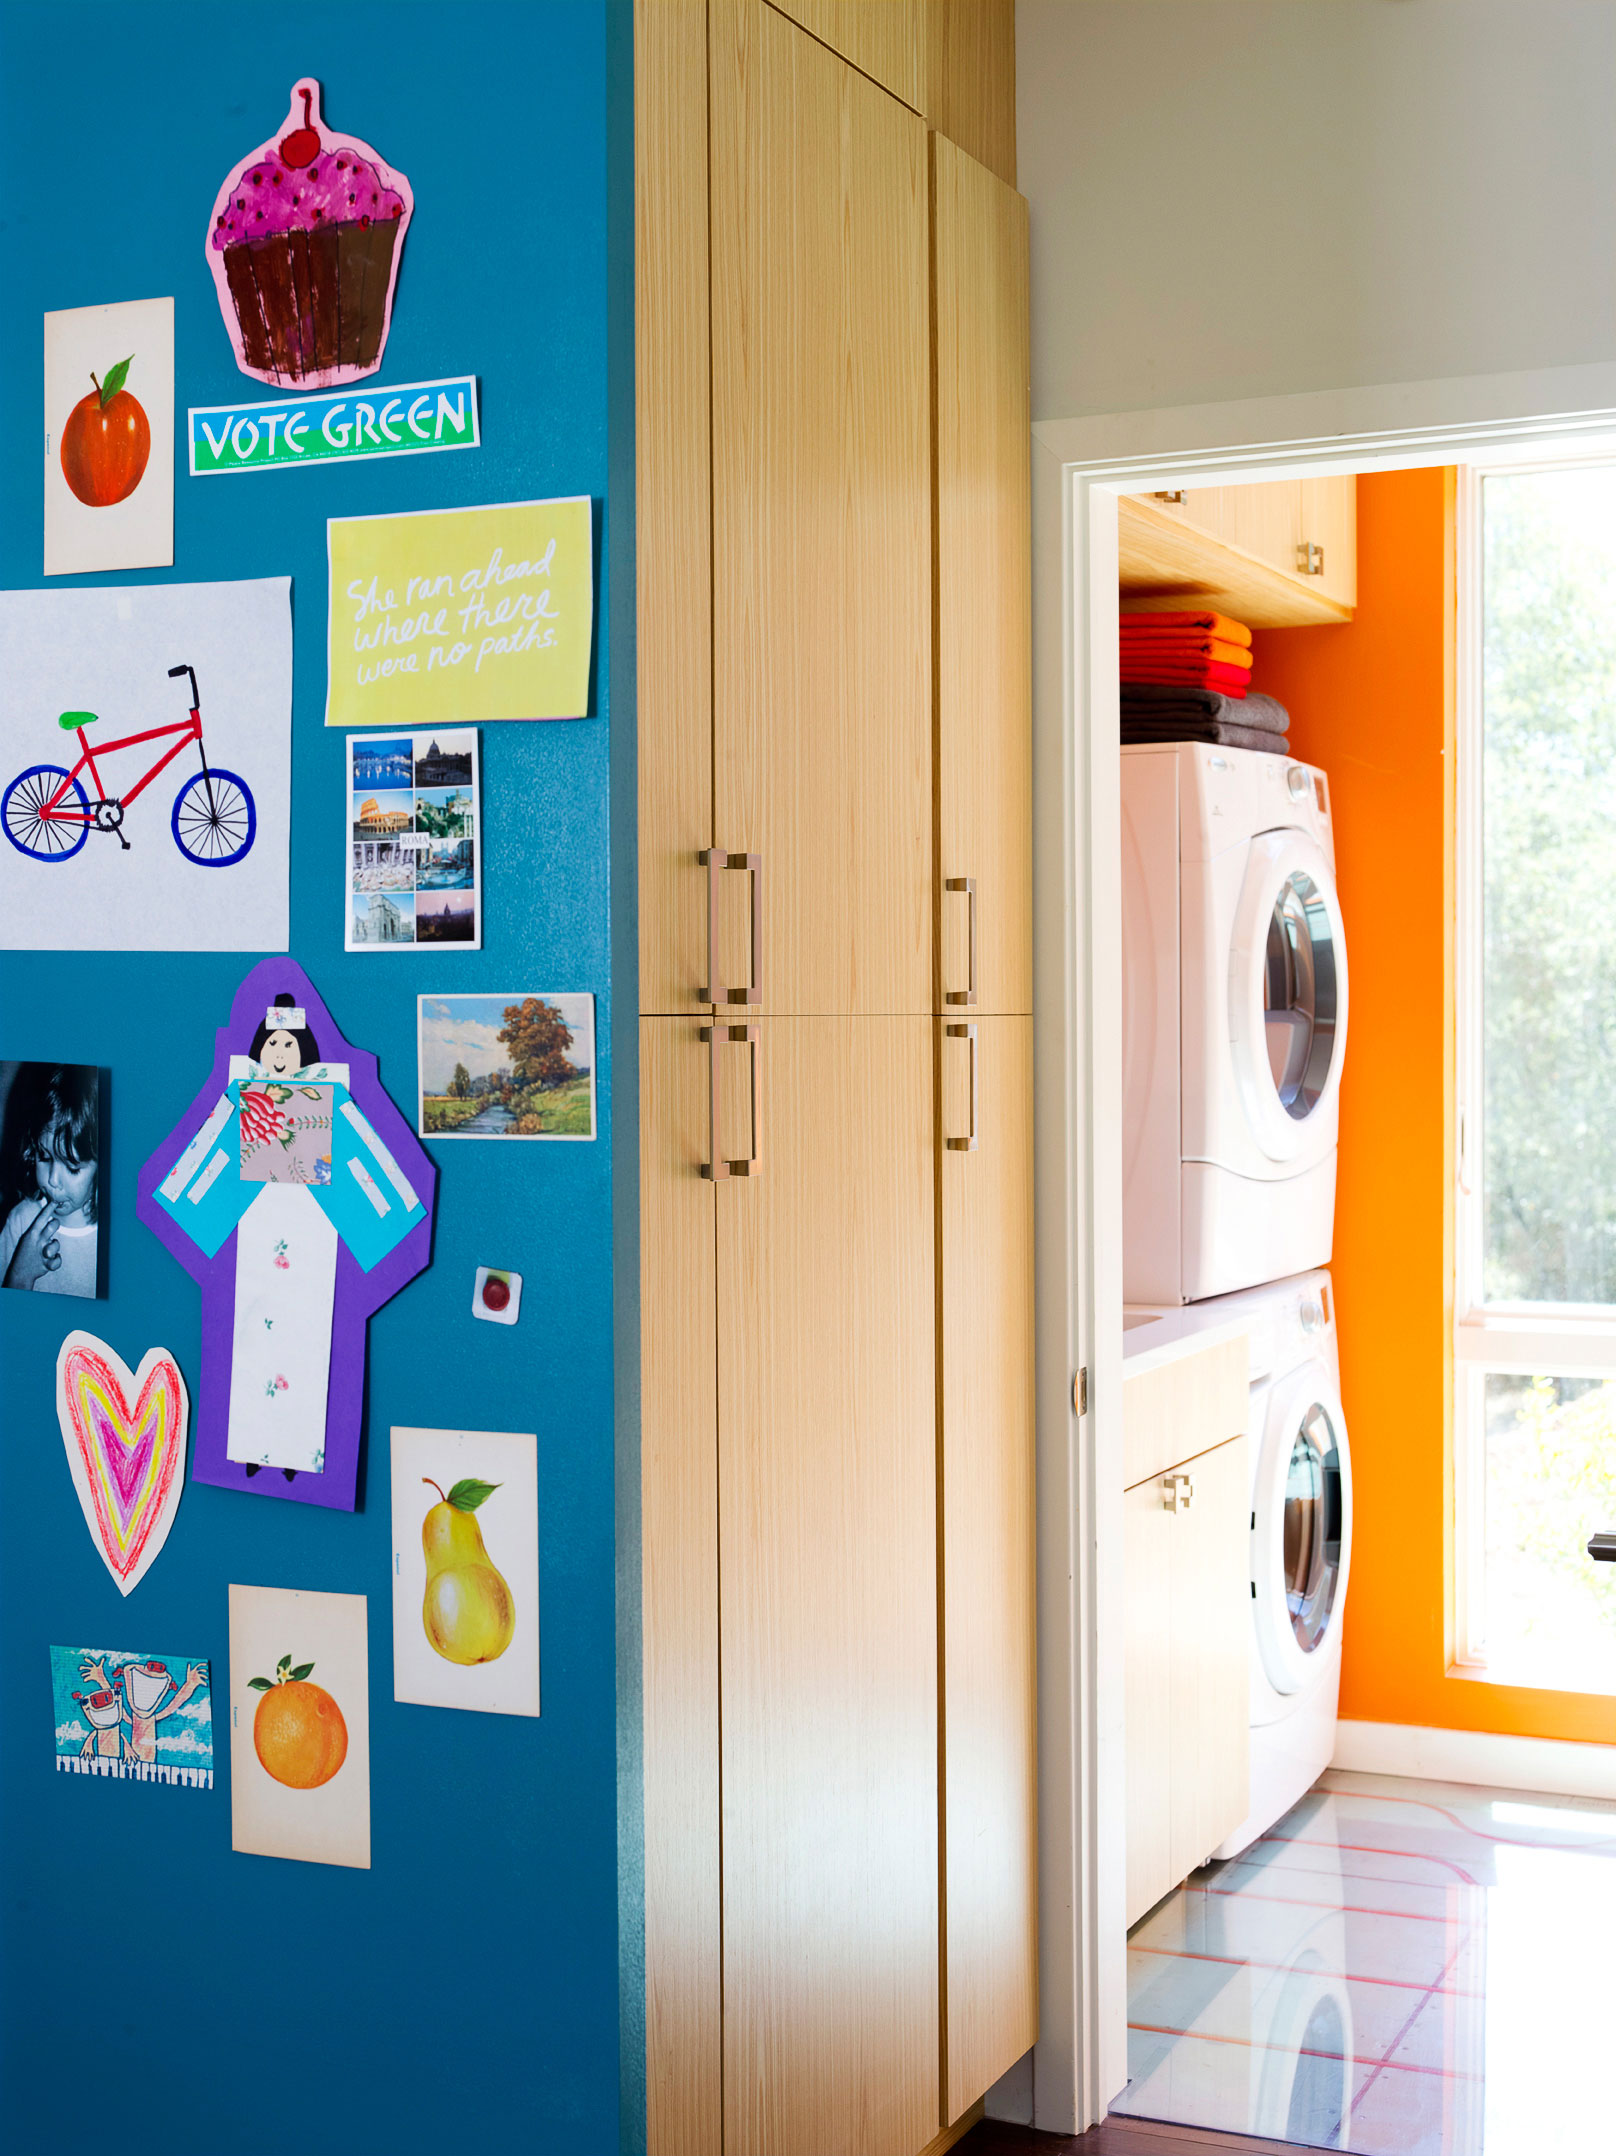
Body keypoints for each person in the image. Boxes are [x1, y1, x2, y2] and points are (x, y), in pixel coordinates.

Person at [0, 1065, 98, 1297]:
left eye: (72, 1167)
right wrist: (19, 1276)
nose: (52, 1180)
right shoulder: (20, 1221)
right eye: (44, 1157)